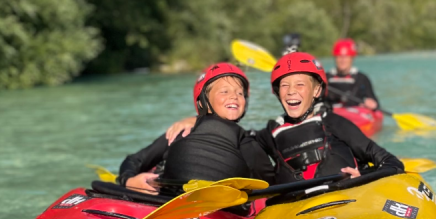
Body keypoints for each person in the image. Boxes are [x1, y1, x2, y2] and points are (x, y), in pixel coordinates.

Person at [166, 53, 403, 185]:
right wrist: (198, 121)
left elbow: (392, 163)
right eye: (285, 86)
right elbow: (230, 137)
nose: (291, 92)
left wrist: (365, 176)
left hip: (345, 197)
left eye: (300, 84)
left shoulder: (335, 123)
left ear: (317, 91)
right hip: (295, 212)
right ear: (277, 93)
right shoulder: (270, 134)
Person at [118, 63, 275, 194]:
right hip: (168, 198)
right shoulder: (182, 132)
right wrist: (129, 180)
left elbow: (269, 180)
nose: (234, 96)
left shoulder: (247, 141)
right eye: (224, 91)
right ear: (203, 102)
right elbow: (134, 160)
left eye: (240, 93)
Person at [324, 38, 379, 111]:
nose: (342, 60)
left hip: (355, 114)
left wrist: (372, 104)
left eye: (346, 57)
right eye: (339, 57)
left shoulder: (362, 78)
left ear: (352, 58)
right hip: (331, 111)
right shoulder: (325, 77)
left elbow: (375, 103)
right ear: (335, 58)